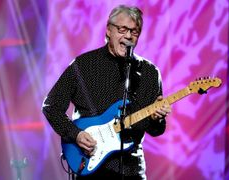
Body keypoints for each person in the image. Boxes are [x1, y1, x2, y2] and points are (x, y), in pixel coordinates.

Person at [42, 4, 171, 179]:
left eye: (134, 32)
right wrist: (76, 134)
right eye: (122, 29)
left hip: (131, 170)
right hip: (90, 165)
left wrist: (157, 119)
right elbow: (52, 106)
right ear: (109, 30)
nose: (128, 36)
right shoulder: (83, 65)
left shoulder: (149, 73)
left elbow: (156, 130)